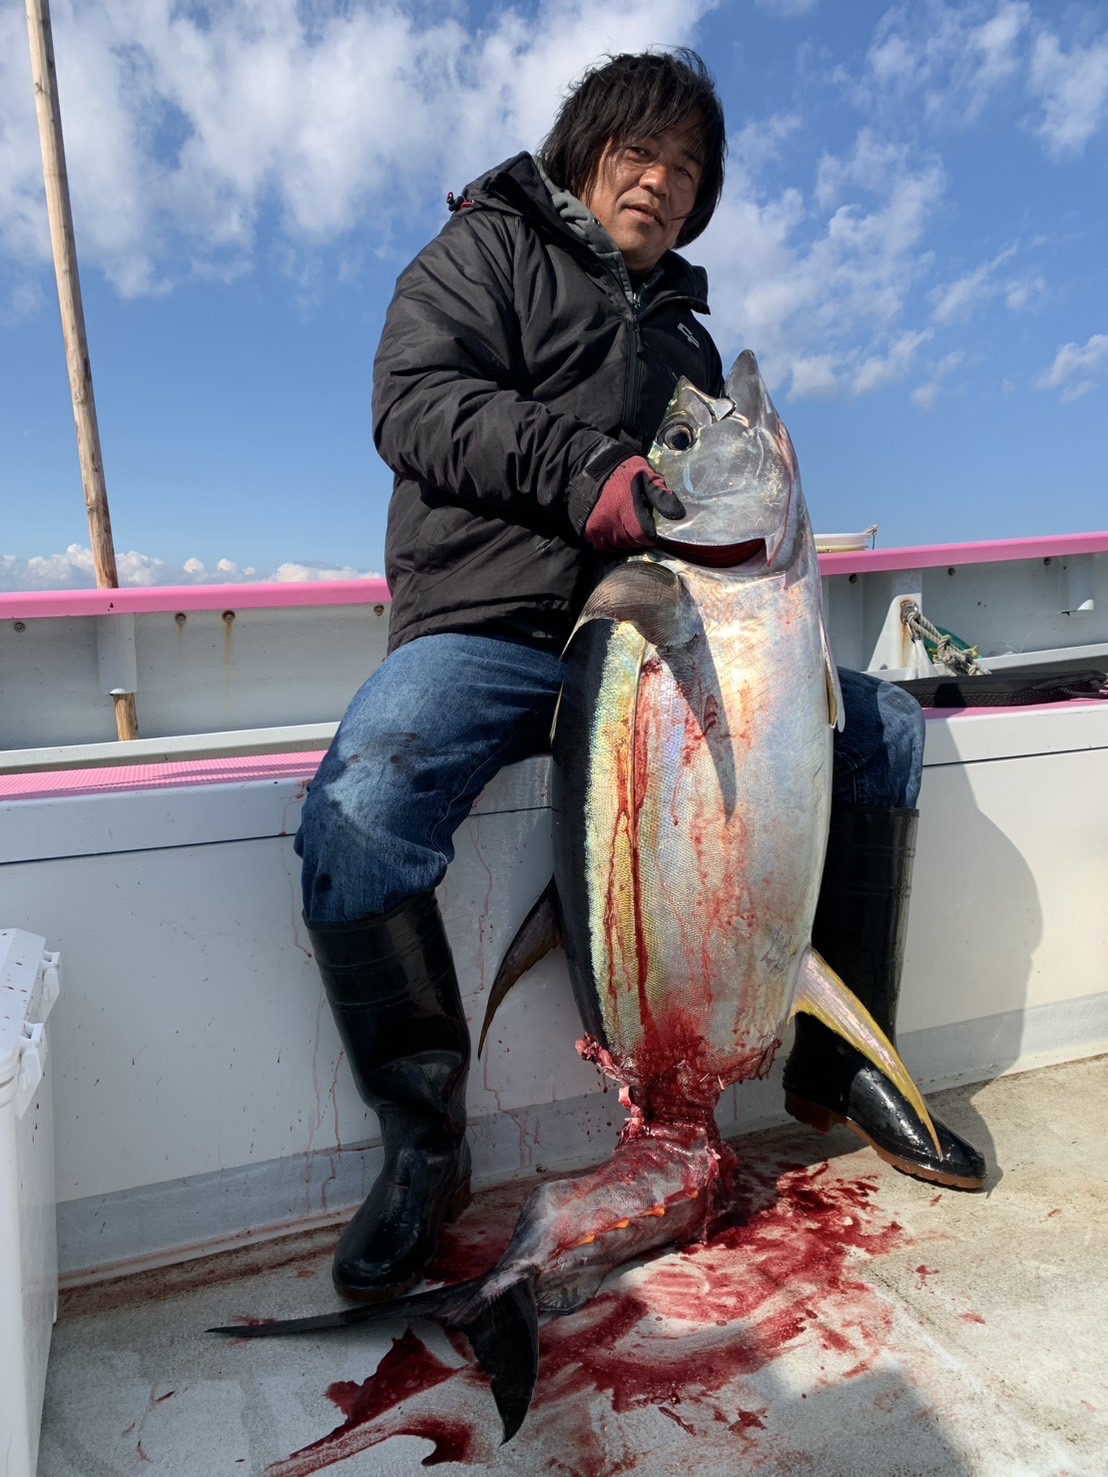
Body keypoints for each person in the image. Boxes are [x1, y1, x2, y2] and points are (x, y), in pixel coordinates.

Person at [295, 48, 985, 1305]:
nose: (662, 183)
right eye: (640, 153)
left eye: (688, 171)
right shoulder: (483, 251)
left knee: (881, 724)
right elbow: (418, 402)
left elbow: (724, 514)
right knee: (361, 807)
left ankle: (838, 1057)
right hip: (496, 626)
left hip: (659, 645)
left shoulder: (687, 335)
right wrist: (587, 477)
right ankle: (424, 1139)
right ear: (585, 149)